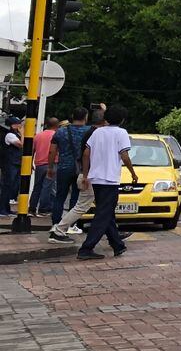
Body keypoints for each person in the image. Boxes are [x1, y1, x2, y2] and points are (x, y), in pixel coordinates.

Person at [78, 104, 135, 261]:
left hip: (96, 178)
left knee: (106, 212)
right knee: (103, 214)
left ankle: (117, 245)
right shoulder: (121, 133)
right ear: (122, 120)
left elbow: (86, 153)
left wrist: (85, 174)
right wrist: (133, 173)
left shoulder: (97, 132)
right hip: (110, 179)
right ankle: (87, 248)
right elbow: (124, 156)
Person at [47, 109, 91, 240]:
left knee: (59, 196)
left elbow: (52, 151)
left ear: (72, 116)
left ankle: (55, 224)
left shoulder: (60, 131)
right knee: (76, 198)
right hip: (81, 168)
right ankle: (71, 225)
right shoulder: (89, 131)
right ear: (85, 117)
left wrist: (50, 167)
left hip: (63, 167)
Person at [27, 116, 57, 217]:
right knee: (47, 187)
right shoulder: (56, 135)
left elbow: (32, 150)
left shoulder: (38, 136)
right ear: (56, 125)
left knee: (37, 186)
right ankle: (43, 209)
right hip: (52, 164)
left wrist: (30, 163)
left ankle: (32, 208)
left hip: (39, 164)